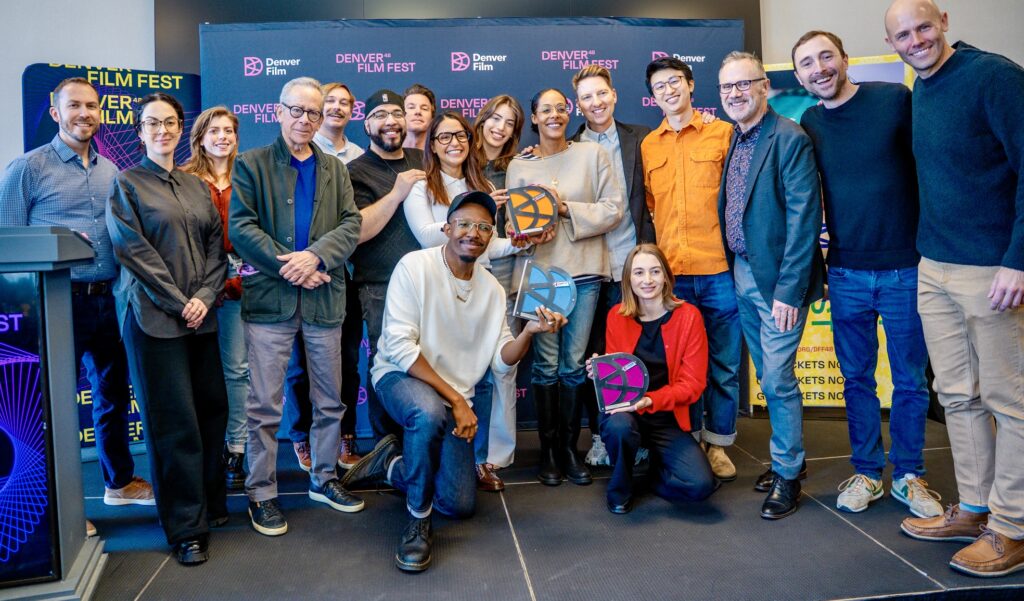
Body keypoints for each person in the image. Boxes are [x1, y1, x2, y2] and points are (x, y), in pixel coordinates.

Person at [340, 190, 567, 572]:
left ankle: (390, 465)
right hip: (401, 376)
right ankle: (417, 522)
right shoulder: (415, 266)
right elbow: (398, 346)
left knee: (459, 504)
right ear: (446, 228)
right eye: (464, 224)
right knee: (428, 412)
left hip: (452, 398)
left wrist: (528, 332)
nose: (473, 233)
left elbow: (500, 359)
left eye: (483, 227)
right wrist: (458, 402)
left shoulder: (493, 290)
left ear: (491, 237)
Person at [885, 0, 1024, 577]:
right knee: (959, 395)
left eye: (922, 27)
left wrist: (1017, 260)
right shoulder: (922, 89)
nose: (914, 39)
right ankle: (974, 507)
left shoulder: (994, 76)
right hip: (934, 267)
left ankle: (1013, 526)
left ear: (943, 21)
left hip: (992, 271)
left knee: (1011, 402)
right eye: (902, 34)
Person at [792, 30, 941, 518]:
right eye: (807, 63)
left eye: (825, 57)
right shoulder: (810, 120)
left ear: (844, 59)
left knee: (910, 380)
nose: (818, 68)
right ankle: (867, 472)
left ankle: (910, 475)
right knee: (856, 380)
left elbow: (934, 163)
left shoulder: (894, 99)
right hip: (847, 274)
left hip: (905, 268)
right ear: (798, 76)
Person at [0, 77, 155, 538]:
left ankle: (120, 482)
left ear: (101, 112)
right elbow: (7, 243)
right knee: (51, 407)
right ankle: (60, 507)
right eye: (74, 106)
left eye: (91, 105)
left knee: (111, 396)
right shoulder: (27, 168)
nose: (84, 113)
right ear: (55, 112)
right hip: (52, 303)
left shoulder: (111, 170)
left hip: (110, 298)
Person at [229, 76, 363, 537]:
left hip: (325, 299)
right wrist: (293, 266)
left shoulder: (336, 169)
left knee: (330, 401)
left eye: (314, 112)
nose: (306, 120)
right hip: (271, 302)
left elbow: (351, 224)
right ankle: (261, 494)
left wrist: (316, 257)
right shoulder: (250, 164)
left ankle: (324, 479)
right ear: (278, 111)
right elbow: (242, 228)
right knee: (264, 406)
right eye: (297, 111)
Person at [106, 92, 228, 565]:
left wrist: (203, 298)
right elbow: (133, 253)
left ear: (182, 130)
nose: (163, 130)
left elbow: (217, 251)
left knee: (212, 411)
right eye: (153, 123)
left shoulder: (196, 186)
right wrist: (181, 303)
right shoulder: (127, 184)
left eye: (171, 122)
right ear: (139, 131)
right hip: (155, 320)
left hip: (201, 319)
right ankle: (185, 530)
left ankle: (211, 506)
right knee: (173, 423)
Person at [717, 52, 826, 519]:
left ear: (764, 87)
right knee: (767, 376)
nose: (735, 94)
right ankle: (791, 462)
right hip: (742, 273)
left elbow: (805, 220)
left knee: (778, 379)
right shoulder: (735, 139)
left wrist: (788, 290)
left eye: (744, 85)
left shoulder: (789, 137)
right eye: (726, 88)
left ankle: (787, 473)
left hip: (777, 283)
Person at [506, 87, 625, 487]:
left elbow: (613, 209)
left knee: (573, 366)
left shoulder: (592, 154)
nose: (554, 115)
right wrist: (523, 232)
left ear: (567, 113)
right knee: (545, 365)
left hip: (586, 271)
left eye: (561, 108)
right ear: (534, 119)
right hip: (539, 276)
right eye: (546, 110)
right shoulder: (518, 166)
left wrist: (562, 208)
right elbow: (516, 226)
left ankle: (571, 452)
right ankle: (548, 453)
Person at [403, 111, 525, 491]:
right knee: (448, 373)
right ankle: (435, 453)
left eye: (460, 135)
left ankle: (482, 460)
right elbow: (426, 236)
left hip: (480, 289)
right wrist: (473, 215)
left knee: (487, 376)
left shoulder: (482, 182)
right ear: (433, 145)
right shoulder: (421, 186)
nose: (454, 142)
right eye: (444, 137)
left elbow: (484, 246)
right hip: (439, 293)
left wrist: (516, 243)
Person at [641, 57, 741, 482]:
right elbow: (650, 205)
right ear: (653, 95)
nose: (668, 90)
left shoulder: (724, 134)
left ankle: (718, 444)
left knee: (724, 364)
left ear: (691, 85)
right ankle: (691, 437)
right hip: (673, 278)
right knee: (683, 368)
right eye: (659, 86)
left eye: (674, 82)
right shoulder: (649, 145)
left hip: (718, 270)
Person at [569, 65, 655, 468]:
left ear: (614, 95)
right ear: (578, 104)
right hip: (591, 268)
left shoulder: (643, 139)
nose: (596, 102)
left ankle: (640, 434)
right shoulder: (568, 148)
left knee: (638, 353)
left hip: (634, 266)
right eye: (587, 96)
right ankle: (602, 434)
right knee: (593, 357)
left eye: (601, 93)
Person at [590, 244, 716, 514]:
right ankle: (621, 485)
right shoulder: (617, 315)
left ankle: (650, 475)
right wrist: (601, 373)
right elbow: (618, 380)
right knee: (620, 427)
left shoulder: (688, 317)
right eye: (639, 273)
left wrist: (648, 400)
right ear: (629, 280)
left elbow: (693, 386)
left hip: (666, 416)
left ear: (666, 277)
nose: (647, 280)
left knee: (701, 486)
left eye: (654, 271)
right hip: (626, 414)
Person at [286, 81, 365, 473]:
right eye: (327, 102)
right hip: (293, 277)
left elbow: (353, 223)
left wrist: (321, 261)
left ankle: (342, 437)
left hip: (342, 276)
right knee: (298, 365)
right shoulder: (285, 157)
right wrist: (303, 264)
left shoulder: (357, 158)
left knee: (346, 362)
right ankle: (301, 437)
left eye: (343, 103)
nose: (335, 108)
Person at [347, 89, 426, 442]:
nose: (390, 121)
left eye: (396, 113)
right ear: (366, 124)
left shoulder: (424, 159)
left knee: (432, 359)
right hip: (380, 284)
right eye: (380, 114)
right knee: (387, 364)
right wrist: (396, 193)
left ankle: (424, 437)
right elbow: (358, 232)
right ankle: (387, 446)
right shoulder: (354, 172)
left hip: (430, 279)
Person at [181, 106, 249, 492]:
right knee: (195, 374)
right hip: (193, 292)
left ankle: (235, 448)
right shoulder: (184, 180)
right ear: (201, 137)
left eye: (229, 130)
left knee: (237, 371)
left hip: (238, 290)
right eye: (214, 130)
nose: (222, 136)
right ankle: (200, 451)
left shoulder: (249, 177)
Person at [470, 95, 527, 488]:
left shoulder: (520, 167)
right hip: (466, 276)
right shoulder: (462, 163)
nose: (499, 127)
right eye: (494, 118)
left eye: (509, 122)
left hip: (507, 278)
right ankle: (468, 448)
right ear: (482, 119)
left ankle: (499, 455)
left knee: (504, 369)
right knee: (467, 369)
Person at [402, 83, 436, 151]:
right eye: (411, 107)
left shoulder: (440, 153)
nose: (418, 112)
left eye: (424, 108)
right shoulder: (388, 152)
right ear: (401, 114)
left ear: (432, 117)